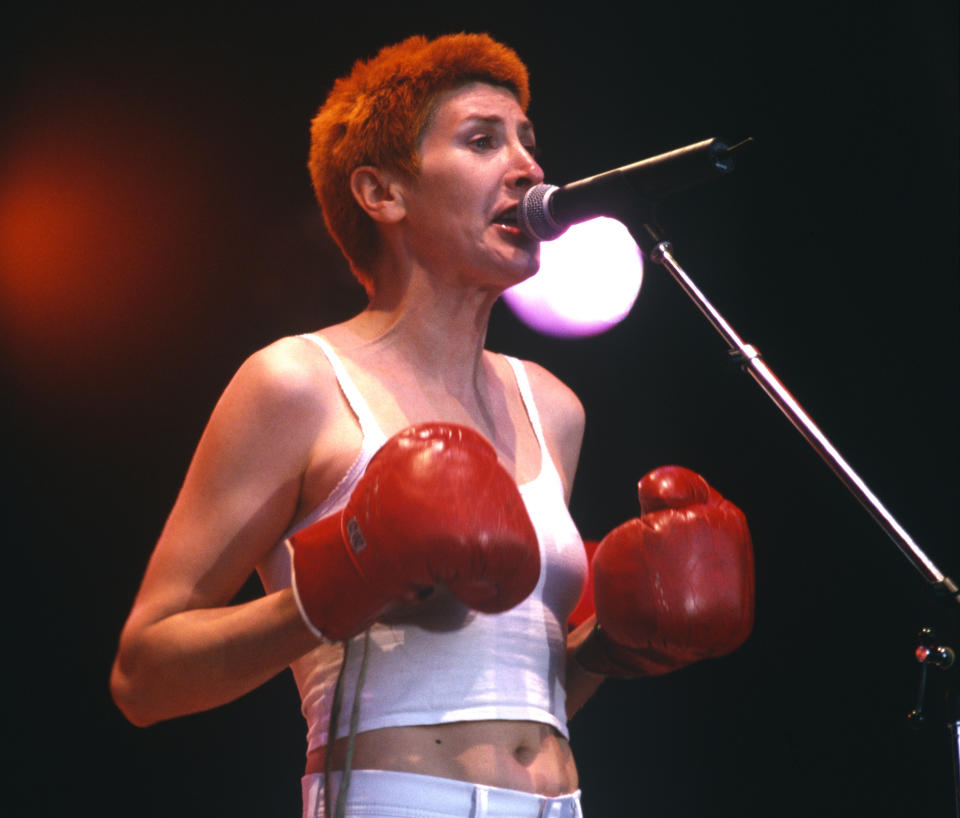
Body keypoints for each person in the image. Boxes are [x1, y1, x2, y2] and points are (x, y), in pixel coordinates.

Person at [110, 33, 754, 817]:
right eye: (484, 140)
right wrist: (335, 586)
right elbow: (143, 676)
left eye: (528, 141)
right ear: (383, 194)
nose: (529, 168)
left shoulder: (551, 404)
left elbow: (512, 696)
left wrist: (608, 648)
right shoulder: (299, 382)